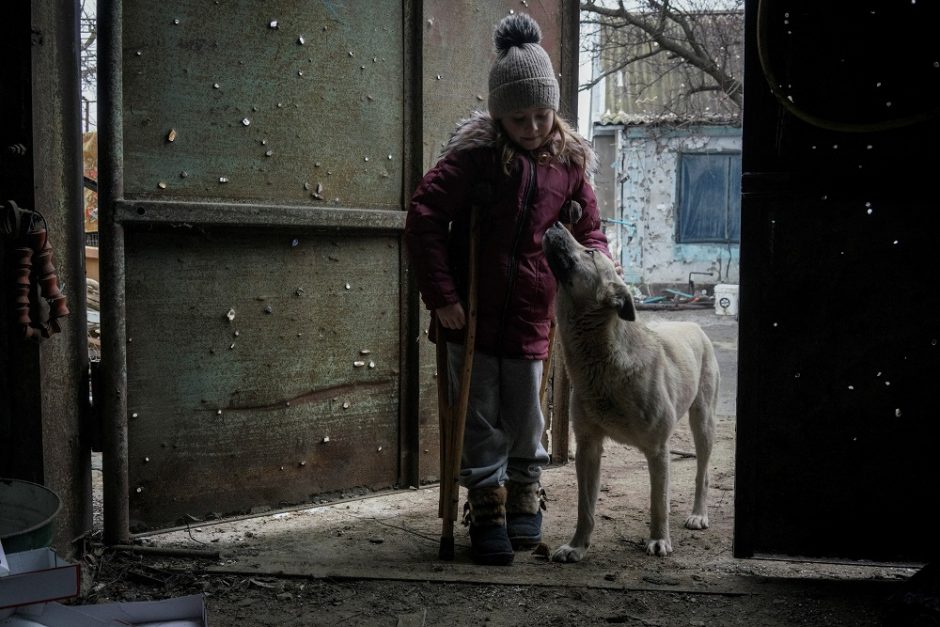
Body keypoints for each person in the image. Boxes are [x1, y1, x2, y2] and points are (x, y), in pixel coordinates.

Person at [405, 12, 611, 566]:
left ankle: (525, 488)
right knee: (479, 415)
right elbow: (424, 217)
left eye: (542, 115)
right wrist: (442, 297)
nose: (532, 127)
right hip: (467, 318)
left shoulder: (569, 163)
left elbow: (590, 230)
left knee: (528, 414)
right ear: (498, 114)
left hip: (528, 316)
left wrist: (600, 274)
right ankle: (488, 503)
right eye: (518, 117)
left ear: (554, 109)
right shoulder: (474, 157)